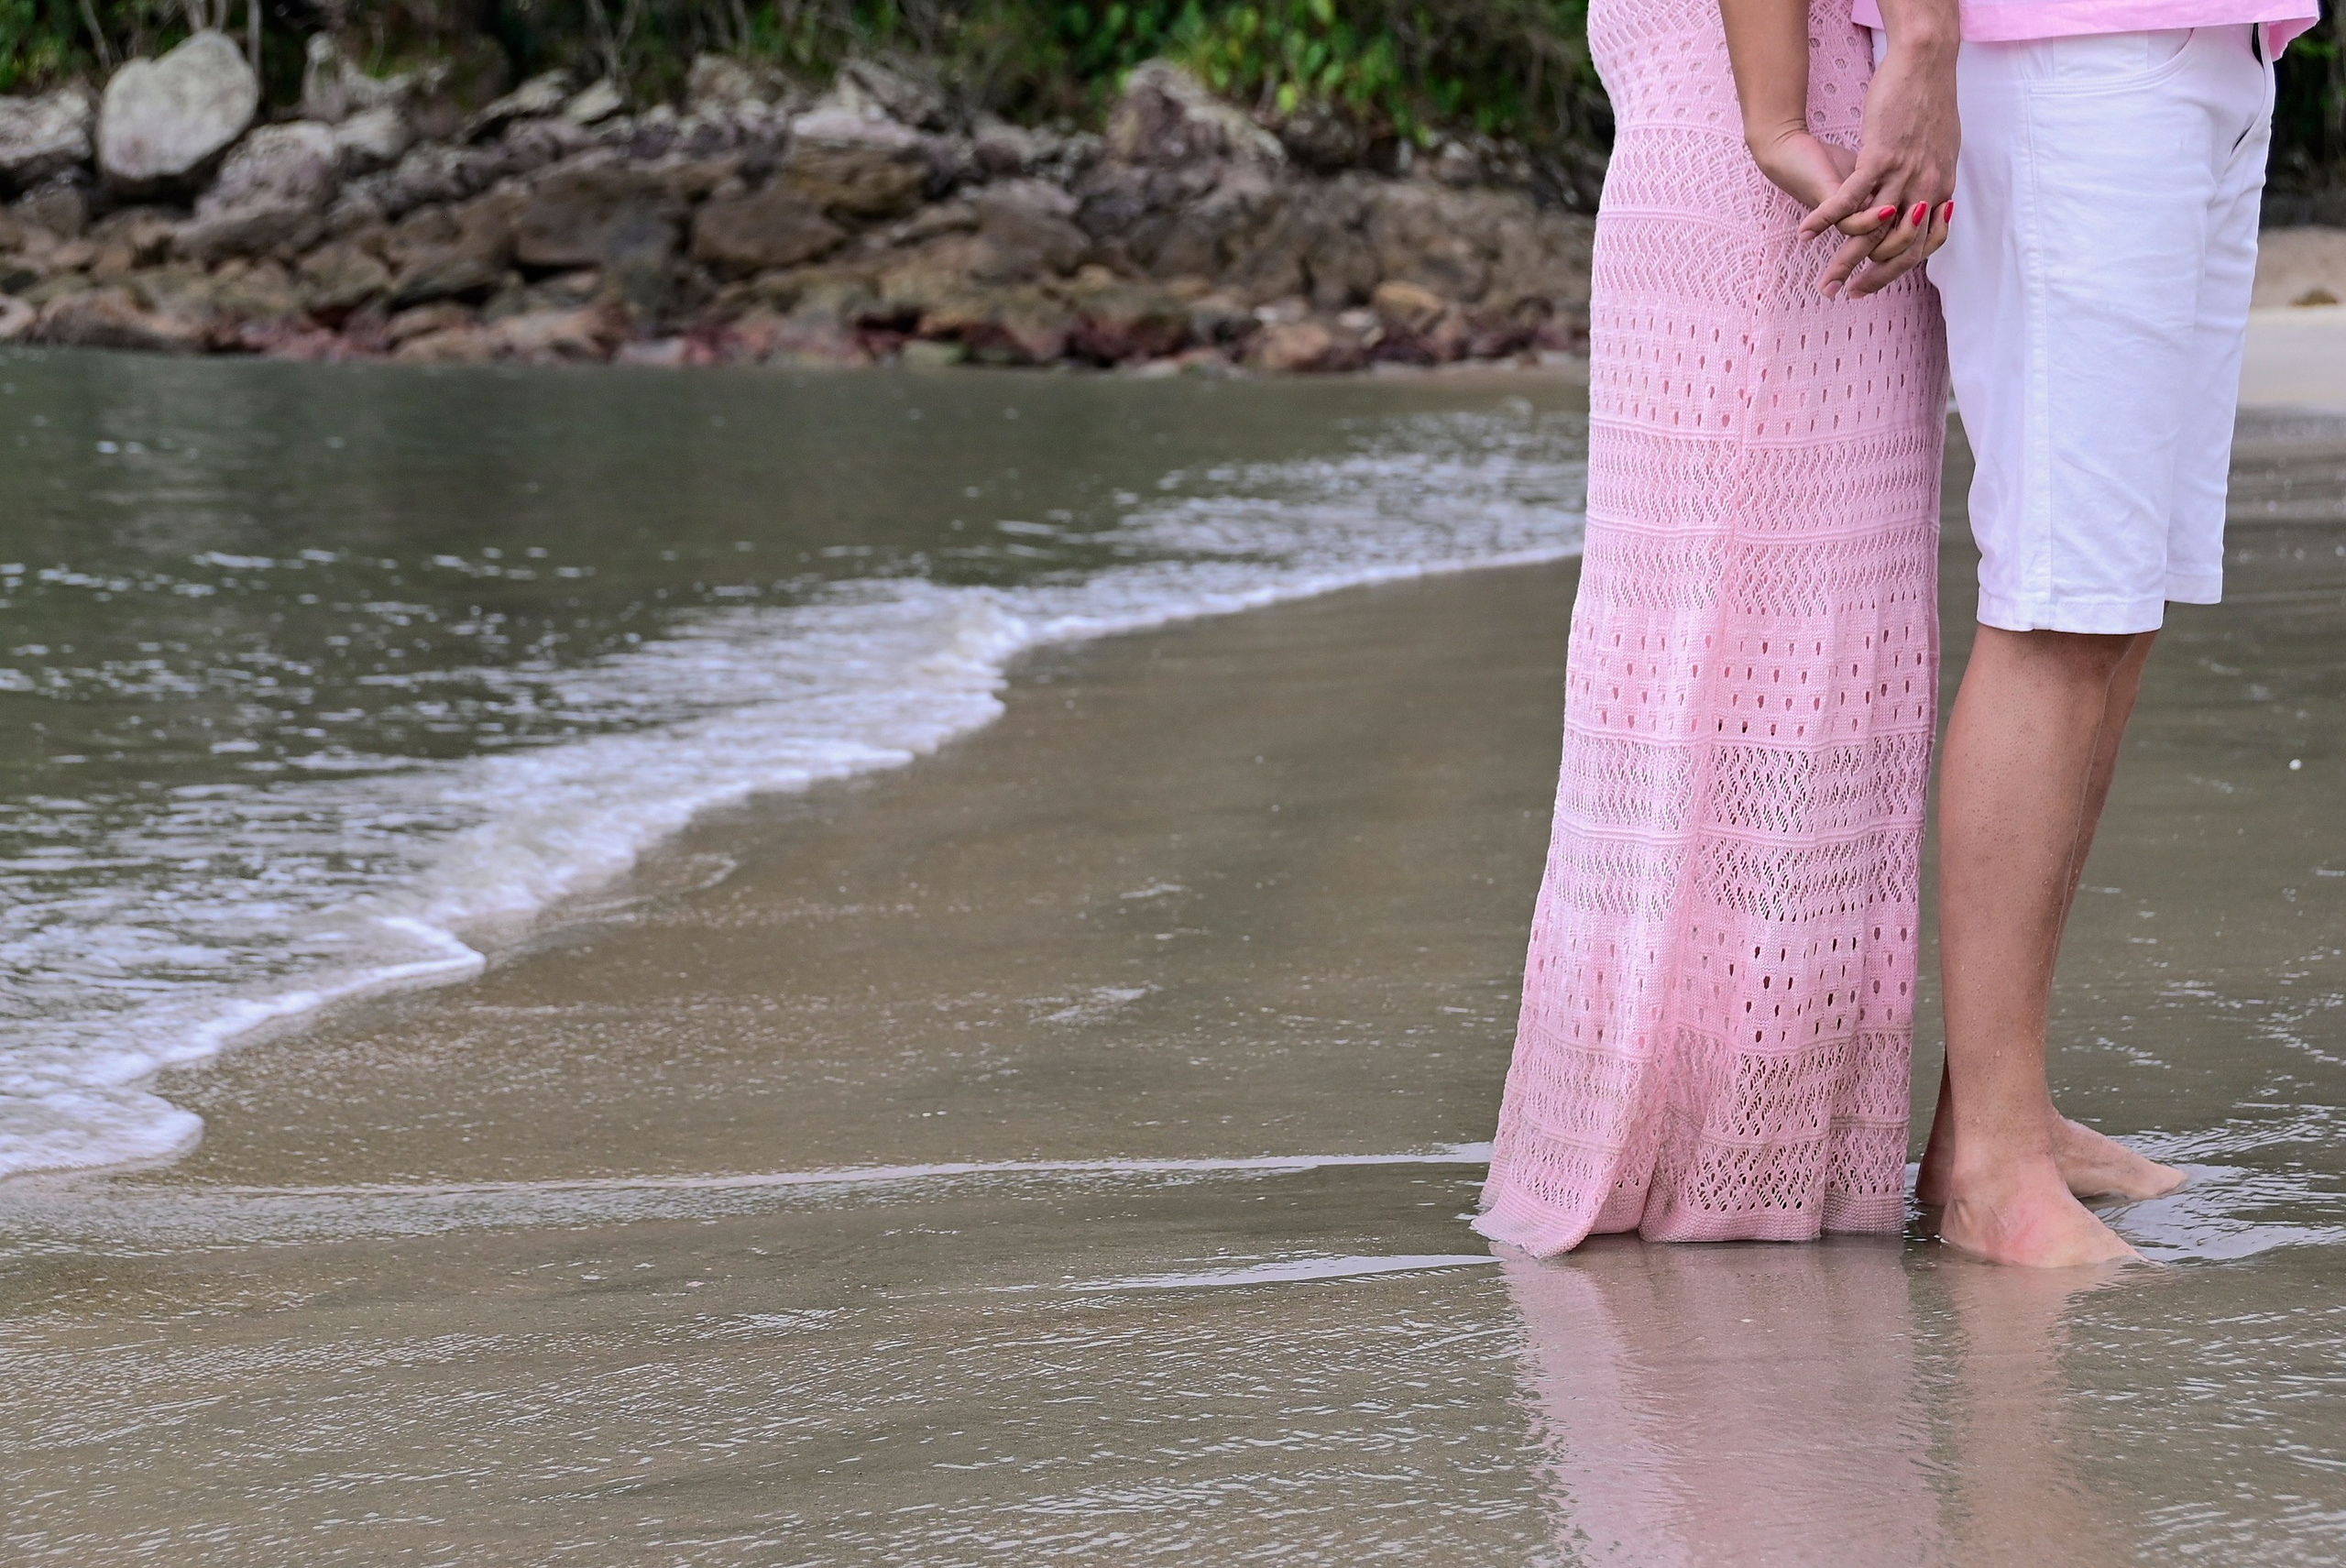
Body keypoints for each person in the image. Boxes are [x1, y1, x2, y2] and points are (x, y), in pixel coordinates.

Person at [1815, 0, 2320, 1266]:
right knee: (2064, 595)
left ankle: (1997, 1114)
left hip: (2216, 49)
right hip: (2061, 59)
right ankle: (1995, 1172)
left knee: (2121, 600)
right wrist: (1923, 45)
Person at [1473, 0, 1962, 1253]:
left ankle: (1681, 1119)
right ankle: (1734, 1140)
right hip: (1788, 187)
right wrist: (1784, 127)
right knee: (1776, 646)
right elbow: (1770, 111)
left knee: (1706, 652)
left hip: (1724, 170)